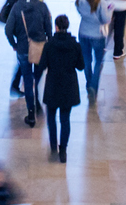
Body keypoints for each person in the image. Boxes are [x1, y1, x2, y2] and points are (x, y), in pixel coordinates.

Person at [2, 0, 51, 127]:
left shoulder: (17, 8)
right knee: (37, 78)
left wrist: (14, 45)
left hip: (23, 48)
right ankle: (37, 102)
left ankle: (31, 114)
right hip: (40, 48)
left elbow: (8, 30)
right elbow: (49, 30)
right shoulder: (42, 6)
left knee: (27, 81)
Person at [40, 13, 83, 162]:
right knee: (65, 119)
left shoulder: (49, 44)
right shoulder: (75, 45)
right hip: (68, 87)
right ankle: (63, 151)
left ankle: (53, 148)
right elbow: (81, 66)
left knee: (51, 118)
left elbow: (43, 64)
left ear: (56, 27)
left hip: (52, 85)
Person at [72, 0, 109, 104]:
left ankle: (88, 84)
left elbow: (80, 12)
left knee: (87, 60)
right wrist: (109, 9)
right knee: (98, 61)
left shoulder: (80, 0)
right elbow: (105, 19)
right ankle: (94, 86)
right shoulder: (101, 2)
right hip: (97, 35)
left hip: (83, 33)